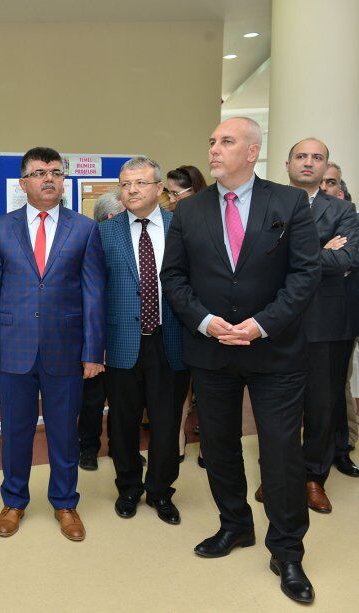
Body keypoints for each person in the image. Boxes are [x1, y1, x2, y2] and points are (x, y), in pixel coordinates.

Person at [161, 117, 321, 604]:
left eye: (226, 141)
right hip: (212, 351)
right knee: (219, 447)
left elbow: (305, 274)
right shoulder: (190, 210)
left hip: (275, 350)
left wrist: (261, 324)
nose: (214, 148)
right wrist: (206, 322)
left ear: (252, 151)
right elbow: (174, 278)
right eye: (212, 141)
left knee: (280, 451)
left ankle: (287, 551)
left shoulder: (288, 202)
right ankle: (235, 525)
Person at [0, 147, 105, 541]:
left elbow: (93, 293)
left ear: (63, 180)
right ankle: (14, 501)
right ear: (23, 182)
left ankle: (65, 503)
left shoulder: (84, 228)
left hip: (65, 348)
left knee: (64, 432)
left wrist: (93, 351)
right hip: (12, 348)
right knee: (15, 432)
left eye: (55, 172)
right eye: (38, 172)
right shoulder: (0, 229)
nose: (48, 178)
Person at [100, 157, 190, 525]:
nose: (132, 190)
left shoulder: (180, 227)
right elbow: (95, 291)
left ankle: (160, 491)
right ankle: (128, 488)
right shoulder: (105, 232)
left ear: (158, 188)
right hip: (122, 340)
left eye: (140, 183)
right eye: (125, 184)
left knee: (167, 423)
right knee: (122, 423)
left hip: (171, 339)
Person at [278, 141, 359, 494]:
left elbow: (345, 260)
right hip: (275, 321)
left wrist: (289, 252)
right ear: (287, 164)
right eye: (301, 156)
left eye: (317, 157)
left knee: (322, 407)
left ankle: (313, 477)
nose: (308, 162)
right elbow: (256, 257)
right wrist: (319, 250)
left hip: (327, 323)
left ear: (326, 166)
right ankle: (277, 476)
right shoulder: (266, 204)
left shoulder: (343, 210)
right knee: (277, 407)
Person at [79, 190, 124, 471]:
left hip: (123, 338)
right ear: (110, 217)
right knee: (91, 400)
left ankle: (121, 448)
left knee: (123, 400)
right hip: (94, 337)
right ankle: (88, 449)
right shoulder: (91, 245)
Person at [165, 165, 208, 462]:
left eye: (175, 193)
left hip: (210, 314)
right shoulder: (168, 222)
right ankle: (178, 438)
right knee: (180, 384)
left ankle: (208, 444)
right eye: (167, 193)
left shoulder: (210, 219)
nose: (170, 200)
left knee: (208, 386)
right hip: (178, 312)